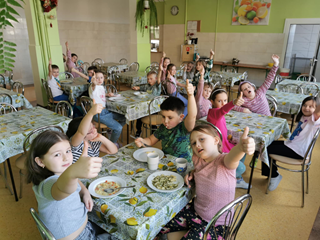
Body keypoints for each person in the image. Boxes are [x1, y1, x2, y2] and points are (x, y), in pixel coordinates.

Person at [160, 125, 255, 239]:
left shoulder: (225, 162)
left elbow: (233, 157)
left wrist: (241, 148)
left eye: (201, 139)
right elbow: (203, 170)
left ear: (216, 140)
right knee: (161, 223)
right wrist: (192, 173)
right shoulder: (197, 159)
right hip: (195, 212)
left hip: (217, 225)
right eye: (193, 143)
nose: (197, 145)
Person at [25, 130, 115, 240]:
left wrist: (84, 192)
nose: (66, 158)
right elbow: (64, 187)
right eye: (57, 154)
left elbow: (71, 179)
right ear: (40, 162)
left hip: (83, 226)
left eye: (68, 151)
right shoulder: (49, 184)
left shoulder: (60, 172)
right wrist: (74, 171)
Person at [262, 96, 320, 191]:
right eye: (305, 105)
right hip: (291, 144)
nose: (306, 108)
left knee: (266, 149)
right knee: (266, 144)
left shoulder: (314, 121)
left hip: (298, 151)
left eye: (311, 106)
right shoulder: (304, 116)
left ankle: (274, 175)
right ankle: (271, 173)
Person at [135, 80, 197, 162]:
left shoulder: (184, 127)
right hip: (166, 162)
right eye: (163, 117)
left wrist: (191, 95)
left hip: (183, 165)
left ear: (181, 117)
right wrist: (142, 140)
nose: (165, 121)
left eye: (170, 118)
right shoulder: (162, 128)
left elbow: (192, 116)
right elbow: (150, 140)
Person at [207, 88, 249, 189]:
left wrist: (229, 138)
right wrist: (233, 102)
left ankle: (235, 173)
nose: (223, 103)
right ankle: (233, 177)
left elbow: (222, 128)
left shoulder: (218, 113)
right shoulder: (215, 113)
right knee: (242, 167)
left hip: (225, 143)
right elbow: (223, 109)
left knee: (243, 148)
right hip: (220, 149)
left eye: (225, 100)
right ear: (212, 102)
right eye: (219, 101)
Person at [89, 71, 126, 146]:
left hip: (106, 111)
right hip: (99, 114)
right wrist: (93, 83)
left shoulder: (101, 86)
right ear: (94, 79)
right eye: (97, 78)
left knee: (125, 118)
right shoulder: (93, 86)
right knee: (118, 128)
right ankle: (111, 144)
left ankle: (112, 131)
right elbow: (94, 88)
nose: (99, 79)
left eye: (101, 77)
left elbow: (99, 94)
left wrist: (107, 94)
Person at [132, 70, 162, 137]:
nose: (149, 80)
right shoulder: (147, 86)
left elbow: (159, 78)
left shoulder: (157, 86)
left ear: (156, 79)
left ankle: (153, 134)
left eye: (151, 79)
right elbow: (142, 87)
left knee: (153, 122)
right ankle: (138, 131)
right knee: (138, 116)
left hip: (154, 108)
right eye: (148, 79)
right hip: (145, 107)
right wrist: (138, 87)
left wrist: (160, 68)